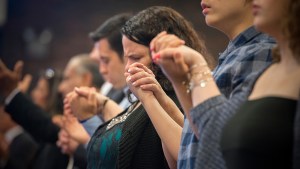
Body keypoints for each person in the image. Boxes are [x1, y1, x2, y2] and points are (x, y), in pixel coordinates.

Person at [67, 6, 213, 169]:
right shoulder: (148, 94)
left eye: (135, 57)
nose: (128, 67)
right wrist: (103, 105)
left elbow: (185, 156)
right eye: (126, 58)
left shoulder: (173, 98)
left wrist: (89, 119)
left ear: (165, 54)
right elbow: (129, 128)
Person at [149, 0, 275, 168]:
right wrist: (179, 80)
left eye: (135, 58)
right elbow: (198, 136)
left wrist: (196, 68)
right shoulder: (234, 55)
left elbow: (226, 145)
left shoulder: (262, 51)